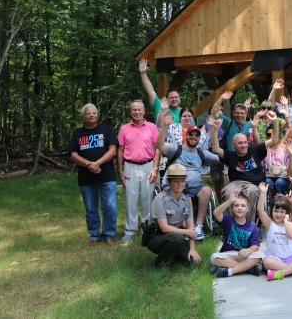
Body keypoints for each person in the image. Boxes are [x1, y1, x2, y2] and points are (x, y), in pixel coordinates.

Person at [157, 111, 218, 240]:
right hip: (176, 184)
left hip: (195, 185)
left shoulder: (202, 154)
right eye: (191, 134)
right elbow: (160, 145)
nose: (194, 137)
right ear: (187, 135)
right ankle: (184, 228)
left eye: (197, 135)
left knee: (207, 190)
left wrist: (213, 129)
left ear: (199, 138)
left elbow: (220, 155)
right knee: (181, 190)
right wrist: (165, 126)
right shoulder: (176, 149)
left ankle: (198, 226)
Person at [211, 112, 278, 221]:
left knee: (251, 192)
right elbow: (216, 149)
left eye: (245, 142)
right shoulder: (230, 155)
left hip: (253, 184)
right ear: (234, 145)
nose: (243, 145)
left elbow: (274, 140)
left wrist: (274, 121)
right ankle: (229, 225)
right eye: (240, 143)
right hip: (235, 183)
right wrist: (215, 130)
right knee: (228, 193)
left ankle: (248, 225)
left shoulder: (255, 149)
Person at [68, 104, 118, 246]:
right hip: (86, 178)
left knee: (110, 207)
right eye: (88, 113)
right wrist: (89, 164)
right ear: (83, 117)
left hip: (106, 176)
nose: (92, 115)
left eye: (94, 112)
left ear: (97, 115)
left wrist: (97, 163)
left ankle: (108, 235)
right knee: (90, 208)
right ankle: (94, 236)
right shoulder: (78, 133)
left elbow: (113, 150)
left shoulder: (106, 130)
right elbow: (73, 154)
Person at [117, 99, 159, 243]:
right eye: (134, 110)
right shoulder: (124, 129)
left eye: (139, 109)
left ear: (143, 111)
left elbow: (158, 148)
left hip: (148, 165)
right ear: (130, 112)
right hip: (130, 166)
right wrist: (120, 170)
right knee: (130, 199)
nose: (136, 112)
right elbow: (120, 149)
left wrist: (155, 168)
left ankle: (146, 228)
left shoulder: (152, 127)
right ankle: (130, 230)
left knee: (147, 199)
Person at [147, 164, 202, 269]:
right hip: (157, 237)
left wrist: (192, 249)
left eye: (182, 181)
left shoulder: (186, 199)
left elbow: (191, 226)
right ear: (169, 183)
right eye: (176, 181)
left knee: (194, 262)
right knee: (177, 238)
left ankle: (173, 256)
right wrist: (186, 232)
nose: (180, 184)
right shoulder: (160, 199)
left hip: (177, 236)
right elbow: (164, 228)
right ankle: (161, 263)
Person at [258, 183, 292, 281]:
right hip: (275, 258)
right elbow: (260, 211)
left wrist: (286, 221)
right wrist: (262, 193)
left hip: (291, 257)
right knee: (266, 262)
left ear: (287, 213)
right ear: (271, 211)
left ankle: (281, 273)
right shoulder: (269, 224)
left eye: (282, 212)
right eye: (276, 211)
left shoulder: (291, 224)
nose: (278, 214)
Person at [210, 191, 265, 278]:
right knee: (214, 257)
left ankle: (230, 270)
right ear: (232, 208)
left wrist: (248, 251)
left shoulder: (252, 226)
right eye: (236, 205)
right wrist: (229, 201)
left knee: (261, 255)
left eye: (243, 206)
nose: (239, 208)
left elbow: (255, 246)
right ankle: (248, 268)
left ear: (248, 208)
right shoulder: (227, 220)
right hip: (229, 254)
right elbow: (216, 213)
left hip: (244, 255)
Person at [138, 59, 182, 123]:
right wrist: (143, 73)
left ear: (180, 98)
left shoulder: (186, 114)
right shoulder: (159, 106)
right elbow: (151, 92)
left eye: (176, 97)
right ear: (166, 99)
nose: (174, 99)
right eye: (171, 98)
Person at [260, 110, 292, 195]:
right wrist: (255, 126)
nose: (271, 137)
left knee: (280, 182)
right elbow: (256, 138)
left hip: (281, 175)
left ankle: (279, 204)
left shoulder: (282, 146)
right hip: (267, 175)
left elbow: (290, 129)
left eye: (273, 134)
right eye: (268, 135)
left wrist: (286, 114)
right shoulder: (263, 147)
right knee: (268, 183)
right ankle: (269, 204)